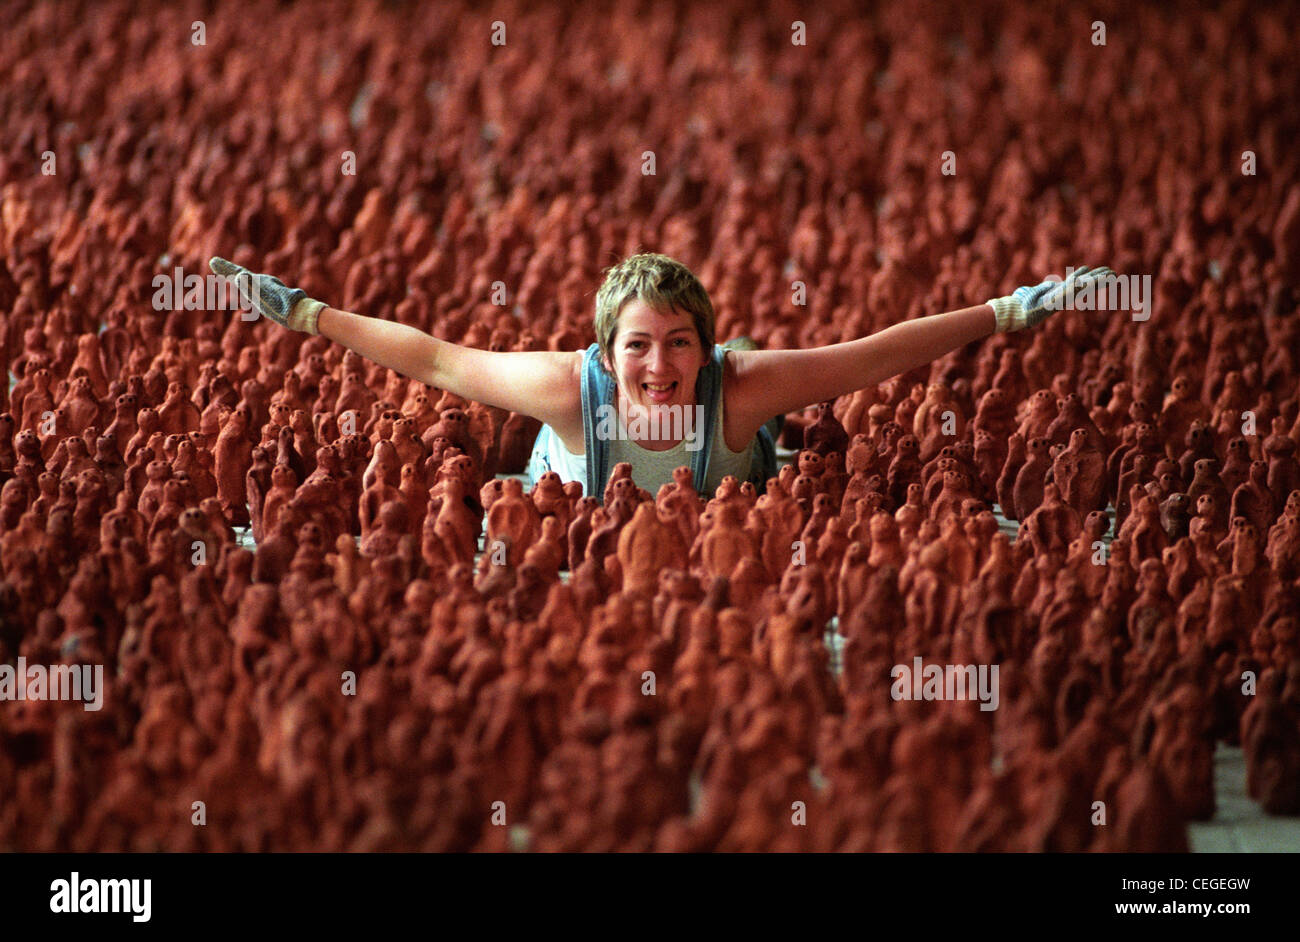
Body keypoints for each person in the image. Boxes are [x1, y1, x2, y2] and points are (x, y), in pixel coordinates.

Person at [209, 253, 1113, 497]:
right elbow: (440, 358)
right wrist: (301, 313)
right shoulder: (571, 392)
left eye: (681, 342)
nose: (660, 364)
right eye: (638, 345)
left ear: (709, 348)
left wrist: (1012, 310)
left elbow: (876, 353)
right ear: (605, 355)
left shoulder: (741, 389)